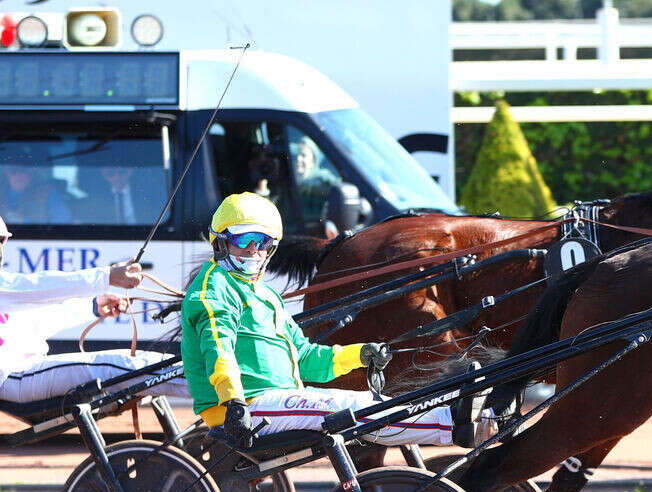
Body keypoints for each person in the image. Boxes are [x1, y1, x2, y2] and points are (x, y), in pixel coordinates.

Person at [181, 192, 477, 449]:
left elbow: (307, 358)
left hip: (278, 400)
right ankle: (451, 423)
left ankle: (450, 411)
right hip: (244, 408)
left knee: (358, 401)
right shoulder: (213, 287)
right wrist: (234, 402)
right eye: (244, 239)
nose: (253, 250)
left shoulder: (266, 294)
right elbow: (219, 352)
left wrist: (359, 354)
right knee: (342, 410)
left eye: (263, 241)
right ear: (220, 241)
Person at [0, 214, 182, 408]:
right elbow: (37, 287)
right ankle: (206, 383)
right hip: (13, 376)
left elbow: (36, 324)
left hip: (22, 373)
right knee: (115, 365)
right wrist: (107, 276)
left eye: (1, 241)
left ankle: (200, 377)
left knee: (132, 363)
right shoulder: (7, 287)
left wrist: (93, 307)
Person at [0, 142, 71, 225]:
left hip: (38, 237)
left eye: (24, 171)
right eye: (13, 170)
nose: (19, 175)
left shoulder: (48, 194)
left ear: (32, 172)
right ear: (6, 172)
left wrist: (25, 222)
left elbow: (63, 224)